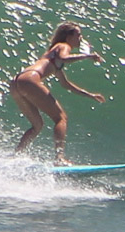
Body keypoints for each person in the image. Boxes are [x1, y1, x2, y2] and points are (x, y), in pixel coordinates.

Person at [9, 21, 105, 164]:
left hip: (17, 82)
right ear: (68, 36)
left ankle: (16, 157)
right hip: (30, 79)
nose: (81, 38)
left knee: (37, 125)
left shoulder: (54, 58)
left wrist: (90, 95)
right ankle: (59, 158)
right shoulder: (63, 46)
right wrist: (87, 56)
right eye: (78, 35)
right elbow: (64, 58)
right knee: (61, 118)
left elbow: (66, 85)